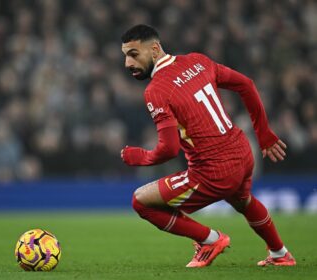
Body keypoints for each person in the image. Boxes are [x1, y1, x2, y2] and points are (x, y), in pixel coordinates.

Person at [120, 24, 296, 268]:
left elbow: (169, 149)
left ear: (155, 48)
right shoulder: (197, 61)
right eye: (125, 56)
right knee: (242, 200)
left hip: (213, 171)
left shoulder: (156, 90)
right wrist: (263, 133)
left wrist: (139, 157)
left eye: (134, 54)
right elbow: (246, 84)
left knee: (140, 201)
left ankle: (209, 240)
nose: (128, 63)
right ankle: (280, 253)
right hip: (242, 153)